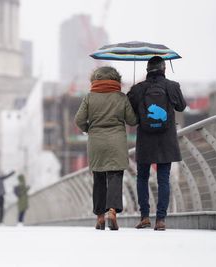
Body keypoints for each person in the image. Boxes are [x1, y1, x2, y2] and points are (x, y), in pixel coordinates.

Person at [127, 56, 186, 231]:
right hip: (166, 140)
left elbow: (129, 110)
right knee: (163, 179)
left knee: (142, 177)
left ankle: (144, 216)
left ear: (147, 70)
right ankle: (161, 219)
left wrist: (134, 92)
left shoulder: (138, 89)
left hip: (145, 139)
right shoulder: (172, 86)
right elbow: (181, 107)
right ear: (164, 69)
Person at [75, 66, 137, 230]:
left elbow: (79, 119)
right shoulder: (121, 97)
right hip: (116, 141)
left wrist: (89, 129)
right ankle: (112, 211)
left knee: (99, 179)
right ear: (116, 79)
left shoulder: (89, 97)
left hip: (96, 142)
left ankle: (100, 217)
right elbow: (132, 120)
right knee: (115, 176)